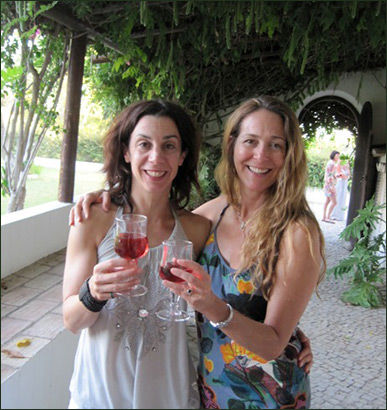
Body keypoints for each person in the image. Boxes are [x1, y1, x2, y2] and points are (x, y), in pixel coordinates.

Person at [70, 96, 319, 409]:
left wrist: (281, 331)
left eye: (276, 145)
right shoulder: (212, 217)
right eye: (250, 141)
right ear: (232, 146)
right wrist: (108, 196)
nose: (260, 155)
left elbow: (271, 342)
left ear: (290, 155)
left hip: (268, 393)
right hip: (208, 387)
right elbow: (154, 214)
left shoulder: (297, 232)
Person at [63, 99, 212, 409]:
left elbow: (237, 282)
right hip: (100, 393)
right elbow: (72, 321)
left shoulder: (198, 230)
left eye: (169, 146)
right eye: (144, 144)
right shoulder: (93, 220)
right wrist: (92, 292)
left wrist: (291, 336)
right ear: (127, 153)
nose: (156, 157)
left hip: (168, 393)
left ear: (183, 156)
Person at [322, 150, 340, 223]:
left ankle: (324, 216)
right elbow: (330, 175)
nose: (338, 157)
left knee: (328, 200)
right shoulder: (332, 164)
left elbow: (329, 174)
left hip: (328, 184)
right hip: (330, 184)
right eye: (337, 155)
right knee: (334, 202)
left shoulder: (330, 163)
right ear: (334, 155)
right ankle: (327, 217)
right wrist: (332, 186)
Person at [331, 156, 351, 221]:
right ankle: (335, 214)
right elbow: (339, 174)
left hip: (344, 185)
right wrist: (343, 176)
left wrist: (346, 172)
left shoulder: (347, 167)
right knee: (338, 198)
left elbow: (349, 176)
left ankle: (340, 215)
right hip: (340, 184)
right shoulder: (339, 166)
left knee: (343, 199)